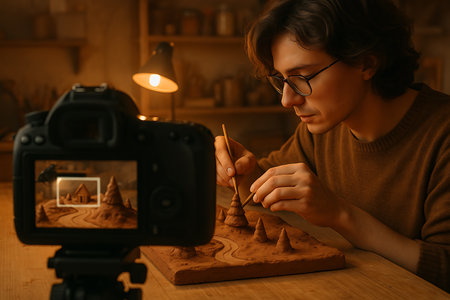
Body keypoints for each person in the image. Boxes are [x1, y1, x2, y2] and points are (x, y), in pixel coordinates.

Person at [214, 0, 450, 292]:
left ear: (367, 61)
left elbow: (444, 268)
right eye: (282, 80)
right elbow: (268, 177)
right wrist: (245, 171)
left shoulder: (442, 137)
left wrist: (339, 214)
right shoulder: (321, 130)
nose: (288, 100)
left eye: (303, 77)